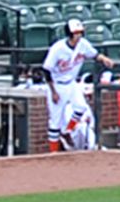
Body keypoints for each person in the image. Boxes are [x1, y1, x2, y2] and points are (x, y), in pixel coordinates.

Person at [43, 19, 112, 151]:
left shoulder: (83, 45)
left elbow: (95, 54)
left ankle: (67, 130)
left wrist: (104, 59)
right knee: (55, 121)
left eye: (80, 32)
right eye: (76, 33)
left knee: (81, 107)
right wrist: (53, 92)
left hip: (72, 83)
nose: (78, 35)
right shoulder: (58, 48)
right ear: (69, 33)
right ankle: (53, 153)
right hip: (57, 84)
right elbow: (46, 70)